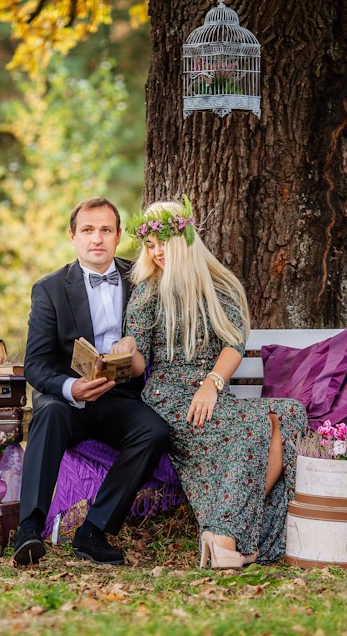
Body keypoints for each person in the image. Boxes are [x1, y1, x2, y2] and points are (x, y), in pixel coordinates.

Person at [119, 196, 305, 568]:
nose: (156, 253)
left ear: (184, 239)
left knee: (292, 414)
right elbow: (139, 364)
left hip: (212, 394)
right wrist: (127, 350)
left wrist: (212, 383)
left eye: (162, 244)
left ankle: (224, 529)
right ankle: (224, 537)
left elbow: (233, 344)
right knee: (256, 425)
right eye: (150, 246)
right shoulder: (147, 290)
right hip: (169, 398)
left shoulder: (219, 286)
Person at [13, 197, 171, 566]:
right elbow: (35, 364)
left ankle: (93, 530)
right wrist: (71, 388)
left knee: (155, 432)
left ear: (118, 238)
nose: (96, 238)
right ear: (73, 237)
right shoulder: (49, 288)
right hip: (69, 397)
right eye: (88, 230)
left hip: (120, 396)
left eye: (105, 230)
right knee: (47, 415)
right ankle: (29, 529)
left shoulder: (143, 280)